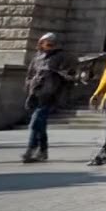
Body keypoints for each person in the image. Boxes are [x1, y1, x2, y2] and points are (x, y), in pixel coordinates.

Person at [21, 33, 75, 163]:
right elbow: (30, 74)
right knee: (41, 124)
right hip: (36, 93)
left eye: (51, 43)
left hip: (51, 94)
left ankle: (31, 149)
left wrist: (60, 74)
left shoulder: (61, 56)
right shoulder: (37, 57)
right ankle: (43, 151)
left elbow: (71, 73)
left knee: (35, 122)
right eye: (46, 43)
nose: (48, 46)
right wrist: (29, 87)